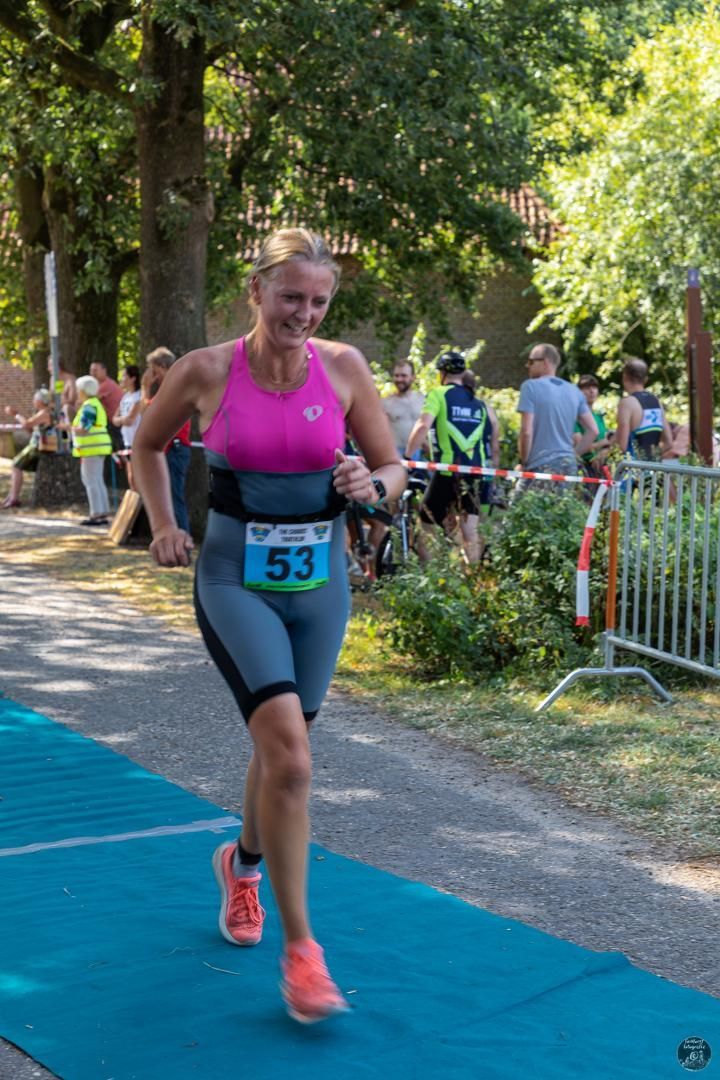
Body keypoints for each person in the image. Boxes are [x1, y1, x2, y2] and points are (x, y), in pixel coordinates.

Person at [133, 227, 405, 1024]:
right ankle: (303, 953)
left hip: (318, 585)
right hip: (232, 580)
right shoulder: (206, 370)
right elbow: (147, 445)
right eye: (291, 297)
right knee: (290, 758)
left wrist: (370, 481)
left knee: (278, 750)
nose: (305, 314)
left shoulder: (346, 369)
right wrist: (162, 522)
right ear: (256, 291)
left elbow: (392, 472)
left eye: (319, 301)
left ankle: (241, 867)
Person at [405, 350, 498, 564]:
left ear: (442, 373)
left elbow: (422, 426)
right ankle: (472, 578)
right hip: (475, 472)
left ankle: (427, 575)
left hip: (447, 471)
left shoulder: (439, 393)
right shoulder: (479, 404)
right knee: (470, 530)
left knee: (427, 523)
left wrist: (408, 457)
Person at [517, 343, 597, 486]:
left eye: (531, 362)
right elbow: (593, 430)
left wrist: (524, 462)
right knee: (560, 508)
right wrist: (572, 455)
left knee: (519, 507)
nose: (527, 366)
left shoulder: (530, 387)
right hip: (568, 467)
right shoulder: (574, 391)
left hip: (539, 465)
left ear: (545, 362)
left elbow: (526, 432)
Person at [144, 347, 192, 533]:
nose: (151, 374)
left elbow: (149, 413)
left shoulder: (175, 385)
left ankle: (183, 538)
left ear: (162, 367)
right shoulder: (168, 387)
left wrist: (145, 388)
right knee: (168, 496)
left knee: (174, 495)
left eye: (153, 369)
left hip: (175, 448)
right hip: (169, 448)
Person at [62, 374, 112, 526]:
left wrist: (67, 427)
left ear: (83, 390)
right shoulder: (95, 403)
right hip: (98, 447)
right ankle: (102, 512)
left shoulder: (89, 405)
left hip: (91, 449)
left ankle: (96, 514)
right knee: (97, 480)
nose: (77, 392)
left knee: (90, 480)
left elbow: (84, 428)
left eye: (78, 389)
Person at [1, 389, 54, 509]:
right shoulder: (42, 412)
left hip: (39, 446)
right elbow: (32, 428)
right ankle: (11, 497)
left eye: (35, 399)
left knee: (16, 464)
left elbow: (27, 424)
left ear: (40, 401)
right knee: (16, 465)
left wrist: (16, 414)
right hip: (37, 444)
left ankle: (14, 498)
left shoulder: (44, 413)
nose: (33, 401)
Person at [615, 357, 672, 460]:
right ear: (645, 379)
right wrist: (652, 458)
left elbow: (621, 447)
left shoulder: (627, 403)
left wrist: (603, 455)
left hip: (633, 472)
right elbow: (668, 443)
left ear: (625, 377)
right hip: (654, 471)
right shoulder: (656, 401)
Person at [382, 360, 425, 458]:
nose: (399, 379)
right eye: (396, 375)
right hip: (397, 454)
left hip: (420, 454)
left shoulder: (422, 400)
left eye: (403, 375)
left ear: (413, 377)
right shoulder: (386, 403)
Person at [112, 364, 143, 489]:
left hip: (137, 441)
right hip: (127, 441)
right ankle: (136, 505)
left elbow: (131, 420)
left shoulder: (139, 396)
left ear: (132, 378)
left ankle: (143, 506)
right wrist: (122, 420)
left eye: (124, 376)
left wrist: (122, 420)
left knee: (136, 477)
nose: (121, 379)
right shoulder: (125, 397)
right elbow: (114, 419)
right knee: (131, 478)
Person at [574, 374, 611, 477]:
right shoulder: (575, 417)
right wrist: (602, 443)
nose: (591, 391)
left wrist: (602, 453)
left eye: (594, 387)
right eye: (586, 387)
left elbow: (608, 444)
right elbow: (579, 447)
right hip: (582, 469)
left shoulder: (599, 417)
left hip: (600, 468)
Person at [89, 360, 124, 450]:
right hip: (113, 422)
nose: (93, 373)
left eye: (96, 370)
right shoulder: (101, 384)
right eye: (91, 370)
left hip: (117, 423)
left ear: (104, 371)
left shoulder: (105, 385)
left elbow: (88, 400)